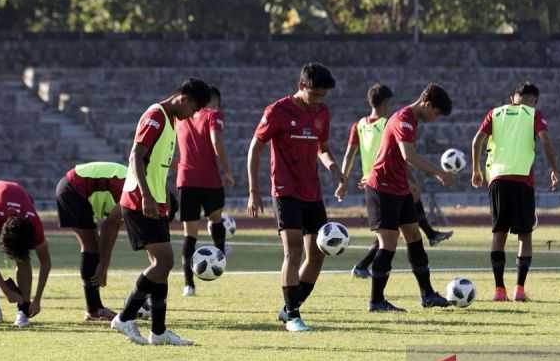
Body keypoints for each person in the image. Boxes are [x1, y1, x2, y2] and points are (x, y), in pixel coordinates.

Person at [112, 78, 211, 346]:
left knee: (162, 267)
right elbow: (136, 156)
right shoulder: (156, 115)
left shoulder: (170, 120)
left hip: (155, 201)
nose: (193, 115)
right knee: (163, 262)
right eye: (194, 109)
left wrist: (164, 196)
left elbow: (157, 166)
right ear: (184, 98)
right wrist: (146, 195)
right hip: (139, 200)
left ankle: (158, 331)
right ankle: (125, 316)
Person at [338, 83, 454, 312]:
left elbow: (400, 159)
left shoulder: (410, 119)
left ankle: (428, 295)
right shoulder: (404, 118)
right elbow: (408, 155)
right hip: (381, 188)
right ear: (427, 104)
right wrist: (439, 172)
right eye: (437, 113)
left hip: (398, 188)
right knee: (388, 244)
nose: (436, 118)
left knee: (414, 238)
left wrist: (410, 182)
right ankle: (376, 301)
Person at [247, 62, 345, 332]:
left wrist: (334, 169)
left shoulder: (322, 112)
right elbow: (255, 147)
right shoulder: (277, 111)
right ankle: (293, 316)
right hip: (285, 190)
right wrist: (254, 191)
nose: (318, 101)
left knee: (318, 254)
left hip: (312, 192)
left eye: (323, 96)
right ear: (301, 86)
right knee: (293, 250)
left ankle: (289, 306)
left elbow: (321, 147)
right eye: (314, 95)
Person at [471, 81, 560, 302]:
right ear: (534, 100)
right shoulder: (533, 115)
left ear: (514, 98)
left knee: (499, 233)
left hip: (497, 179)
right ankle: (519, 289)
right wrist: (554, 169)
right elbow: (546, 140)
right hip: (522, 180)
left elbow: (476, 142)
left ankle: (499, 290)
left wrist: (476, 170)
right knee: (525, 234)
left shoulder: (495, 113)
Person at [176, 86, 235, 297]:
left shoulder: (180, 118)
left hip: (186, 181)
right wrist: (227, 171)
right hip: (210, 180)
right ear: (214, 101)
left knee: (189, 234)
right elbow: (216, 141)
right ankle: (220, 255)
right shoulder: (213, 115)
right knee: (216, 219)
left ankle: (188, 285)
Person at [56, 161, 126, 321]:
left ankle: (94, 308)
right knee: (90, 247)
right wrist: (103, 265)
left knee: (92, 246)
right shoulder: (135, 190)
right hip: (72, 189)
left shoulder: (136, 186)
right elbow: (109, 227)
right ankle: (93, 310)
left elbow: (112, 230)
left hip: (71, 188)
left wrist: (104, 265)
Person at [0, 180, 52, 327]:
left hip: (20, 201)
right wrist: (6, 290)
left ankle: (23, 312)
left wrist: (37, 300)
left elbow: (46, 263)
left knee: (22, 259)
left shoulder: (34, 222)